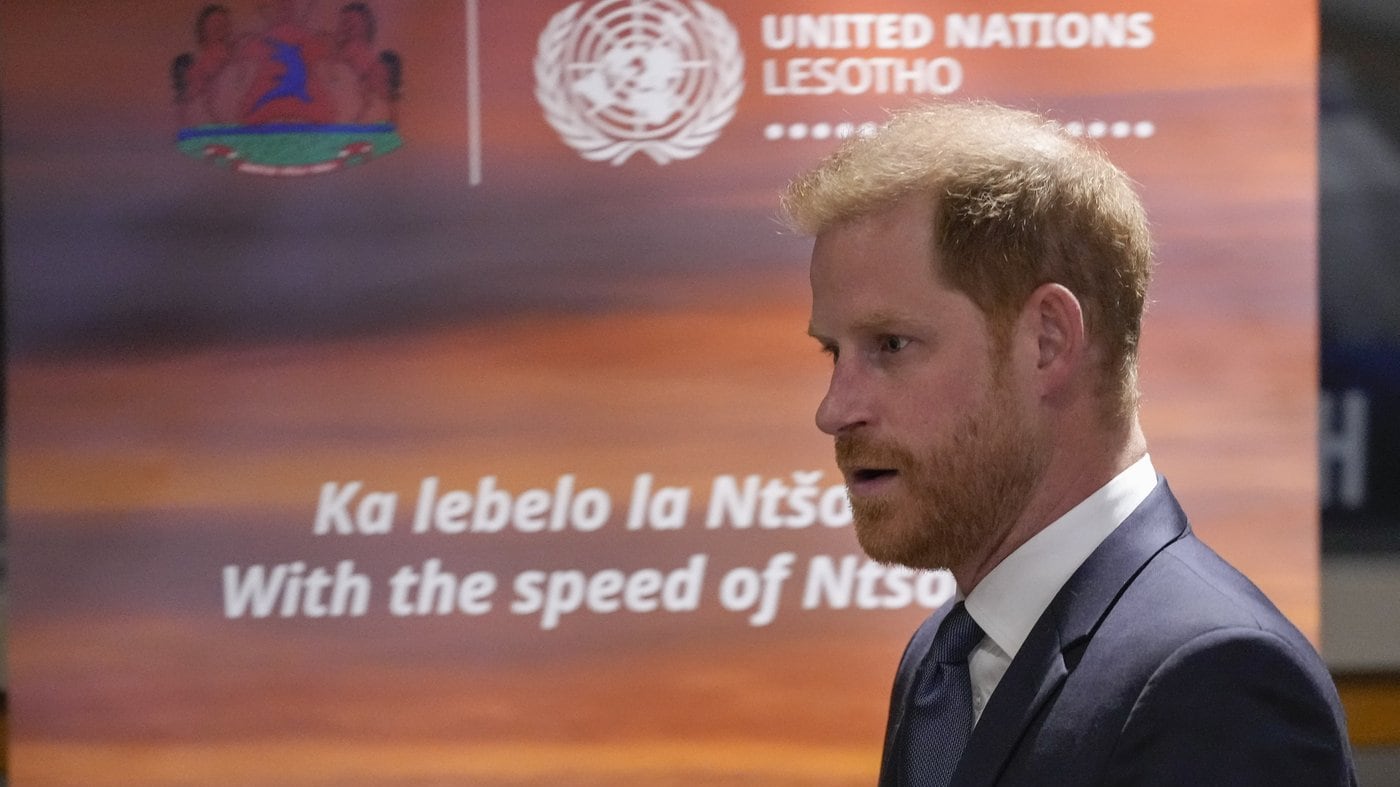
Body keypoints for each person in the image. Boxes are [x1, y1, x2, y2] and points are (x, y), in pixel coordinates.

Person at [783, 101, 1356, 786]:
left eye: (891, 345)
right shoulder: (939, 663)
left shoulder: (1218, 679)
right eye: (833, 352)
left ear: (1047, 341)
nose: (834, 409)